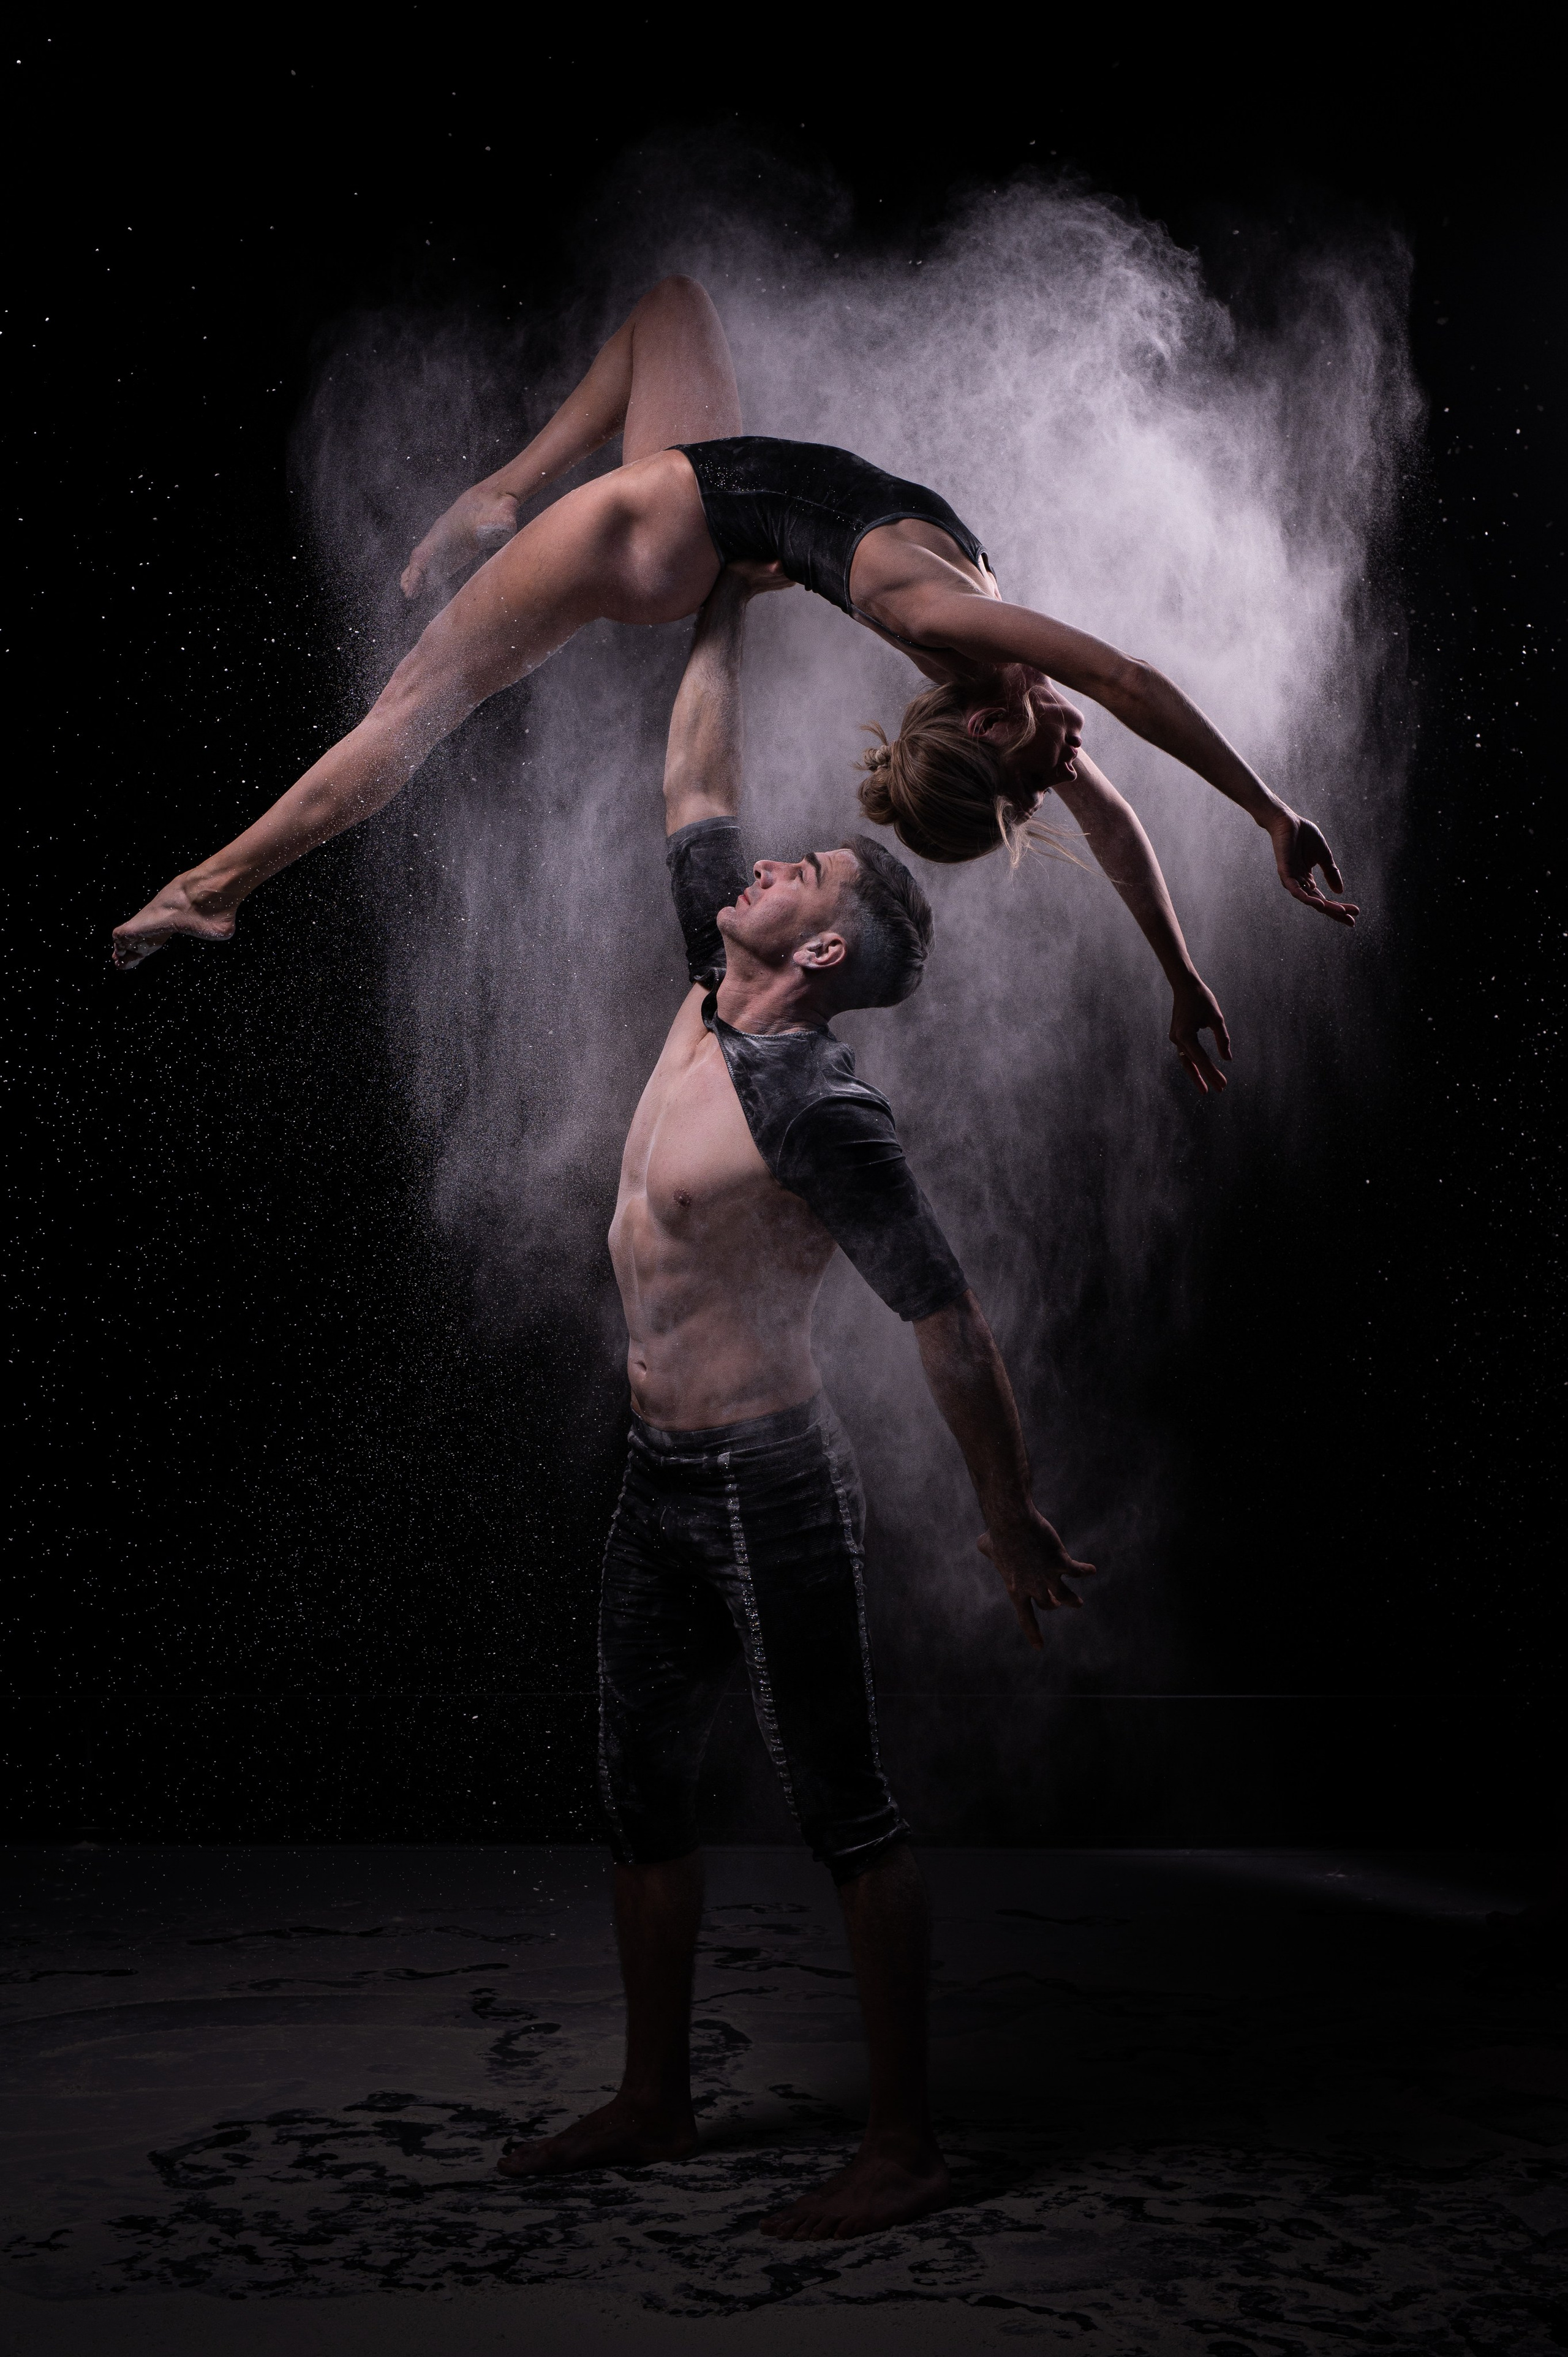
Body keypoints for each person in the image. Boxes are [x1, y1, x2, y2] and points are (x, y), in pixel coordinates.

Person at [492, 562, 1101, 2238]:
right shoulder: (708, 971)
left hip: (767, 1482)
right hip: (652, 1475)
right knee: (638, 1793)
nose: (758, 863)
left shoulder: (821, 1109)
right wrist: (721, 602)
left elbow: (947, 1316)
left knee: (847, 1812)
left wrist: (1002, 1509)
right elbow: (694, 775)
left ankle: (903, 2146)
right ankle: (656, 2099)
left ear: (823, 942)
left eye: (798, 873)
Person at [112, 275, 1356, 1051]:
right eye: (1055, 761)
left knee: (416, 705)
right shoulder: (992, 688)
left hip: (649, 530)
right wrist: (1185, 967)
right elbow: (1118, 803)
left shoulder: (953, 633)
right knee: (672, 309)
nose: (1072, 753)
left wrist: (1266, 810)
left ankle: (214, 885)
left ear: (982, 732)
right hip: (697, 509)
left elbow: (1126, 685)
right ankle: (499, 491)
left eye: (1041, 766)